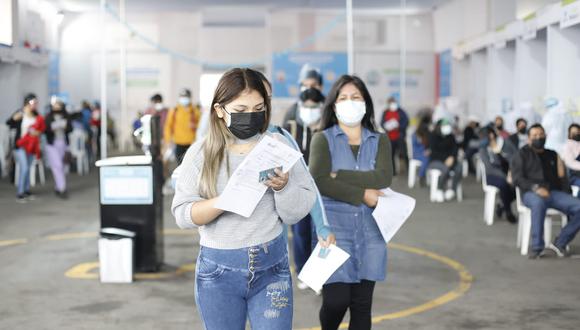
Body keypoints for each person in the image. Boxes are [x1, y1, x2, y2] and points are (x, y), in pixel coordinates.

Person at [171, 68, 316, 329]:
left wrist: (283, 187)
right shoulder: (201, 153)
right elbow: (182, 215)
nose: (250, 116)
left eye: (258, 108)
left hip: (272, 269)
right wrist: (221, 202)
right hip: (217, 272)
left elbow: (298, 210)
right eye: (240, 110)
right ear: (219, 110)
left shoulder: (278, 145)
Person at [309, 75, 393, 330]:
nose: (350, 102)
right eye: (343, 98)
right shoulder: (322, 139)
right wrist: (364, 194)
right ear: (333, 105)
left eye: (356, 97)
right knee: (336, 301)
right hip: (334, 231)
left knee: (361, 305)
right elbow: (320, 181)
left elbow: (383, 177)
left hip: (370, 231)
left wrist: (340, 176)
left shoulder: (380, 140)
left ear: (366, 103)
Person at [511, 124, 580, 259]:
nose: (538, 137)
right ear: (529, 139)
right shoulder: (521, 154)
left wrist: (567, 194)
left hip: (553, 193)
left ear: (546, 136)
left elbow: (562, 178)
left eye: (541, 135)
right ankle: (537, 247)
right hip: (531, 193)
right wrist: (535, 188)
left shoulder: (552, 154)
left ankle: (560, 242)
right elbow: (517, 178)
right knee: (538, 203)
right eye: (535, 135)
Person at [282, 86, 325, 288]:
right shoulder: (290, 128)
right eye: (306, 106)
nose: (309, 110)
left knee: (320, 232)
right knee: (300, 233)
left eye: (314, 106)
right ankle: (303, 272)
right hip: (296, 189)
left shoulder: (327, 129)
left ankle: (318, 275)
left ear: (321, 107)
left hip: (321, 190)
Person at [6, 94, 45, 202]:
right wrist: (14, 118)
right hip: (20, 145)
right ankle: (20, 193)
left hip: (31, 145)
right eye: (33, 102)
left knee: (28, 167)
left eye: (36, 102)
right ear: (27, 102)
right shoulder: (20, 113)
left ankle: (26, 191)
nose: (35, 105)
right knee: (24, 168)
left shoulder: (36, 115)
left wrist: (38, 132)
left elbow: (41, 128)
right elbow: (9, 123)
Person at [479, 126, 518, 223]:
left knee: (518, 186)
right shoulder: (483, 149)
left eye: (484, 136)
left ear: (491, 135)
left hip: (510, 173)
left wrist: (511, 173)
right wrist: (506, 177)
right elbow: (489, 168)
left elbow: (515, 158)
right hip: (493, 176)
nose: (482, 139)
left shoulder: (505, 143)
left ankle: (502, 205)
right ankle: (508, 211)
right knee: (504, 184)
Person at [428, 119, 463, 202]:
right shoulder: (433, 136)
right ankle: (439, 189)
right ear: (439, 127)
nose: (447, 128)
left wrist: (452, 157)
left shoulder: (451, 136)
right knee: (445, 169)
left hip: (450, 160)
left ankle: (452, 190)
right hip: (436, 161)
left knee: (459, 168)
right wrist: (445, 159)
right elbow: (434, 152)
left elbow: (455, 149)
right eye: (444, 126)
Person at [164, 88, 201, 164]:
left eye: (186, 96)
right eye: (182, 96)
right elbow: (168, 126)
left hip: (192, 143)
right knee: (179, 164)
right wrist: (168, 140)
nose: (184, 99)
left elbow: (201, 127)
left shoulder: (195, 111)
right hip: (178, 143)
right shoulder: (174, 110)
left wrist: (195, 125)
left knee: (191, 164)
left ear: (190, 98)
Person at [44, 99, 72, 199]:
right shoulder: (48, 117)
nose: (56, 107)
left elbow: (70, 128)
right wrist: (52, 128)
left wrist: (65, 127)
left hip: (63, 143)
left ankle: (58, 186)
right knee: (57, 165)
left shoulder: (66, 116)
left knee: (62, 166)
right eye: (55, 106)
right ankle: (62, 189)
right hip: (52, 144)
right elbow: (45, 129)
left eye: (58, 105)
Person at [282, 64, 324, 131]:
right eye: (305, 85)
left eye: (313, 85)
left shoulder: (329, 109)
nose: (309, 89)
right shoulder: (293, 111)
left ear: (321, 86)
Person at [381, 96, 409, 175]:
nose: (392, 104)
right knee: (391, 155)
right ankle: (393, 172)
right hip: (390, 138)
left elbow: (406, 121)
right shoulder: (385, 112)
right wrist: (387, 126)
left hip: (400, 136)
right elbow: (382, 123)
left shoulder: (401, 111)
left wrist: (399, 126)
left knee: (403, 154)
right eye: (391, 103)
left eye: (394, 102)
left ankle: (407, 170)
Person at [412, 114, 431, 186]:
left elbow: (430, 144)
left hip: (425, 153)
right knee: (426, 159)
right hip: (417, 153)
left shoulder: (428, 133)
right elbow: (414, 146)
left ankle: (426, 176)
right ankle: (421, 176)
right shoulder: (416, 134)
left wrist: (428, 150)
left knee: (429, 158)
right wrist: (423, 152)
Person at [560, 123, 580, 192]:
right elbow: (570, 163)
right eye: (573, 133)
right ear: (569, 134)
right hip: (574, 176)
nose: (576, 134)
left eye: (578, 132)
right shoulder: (567, 146)